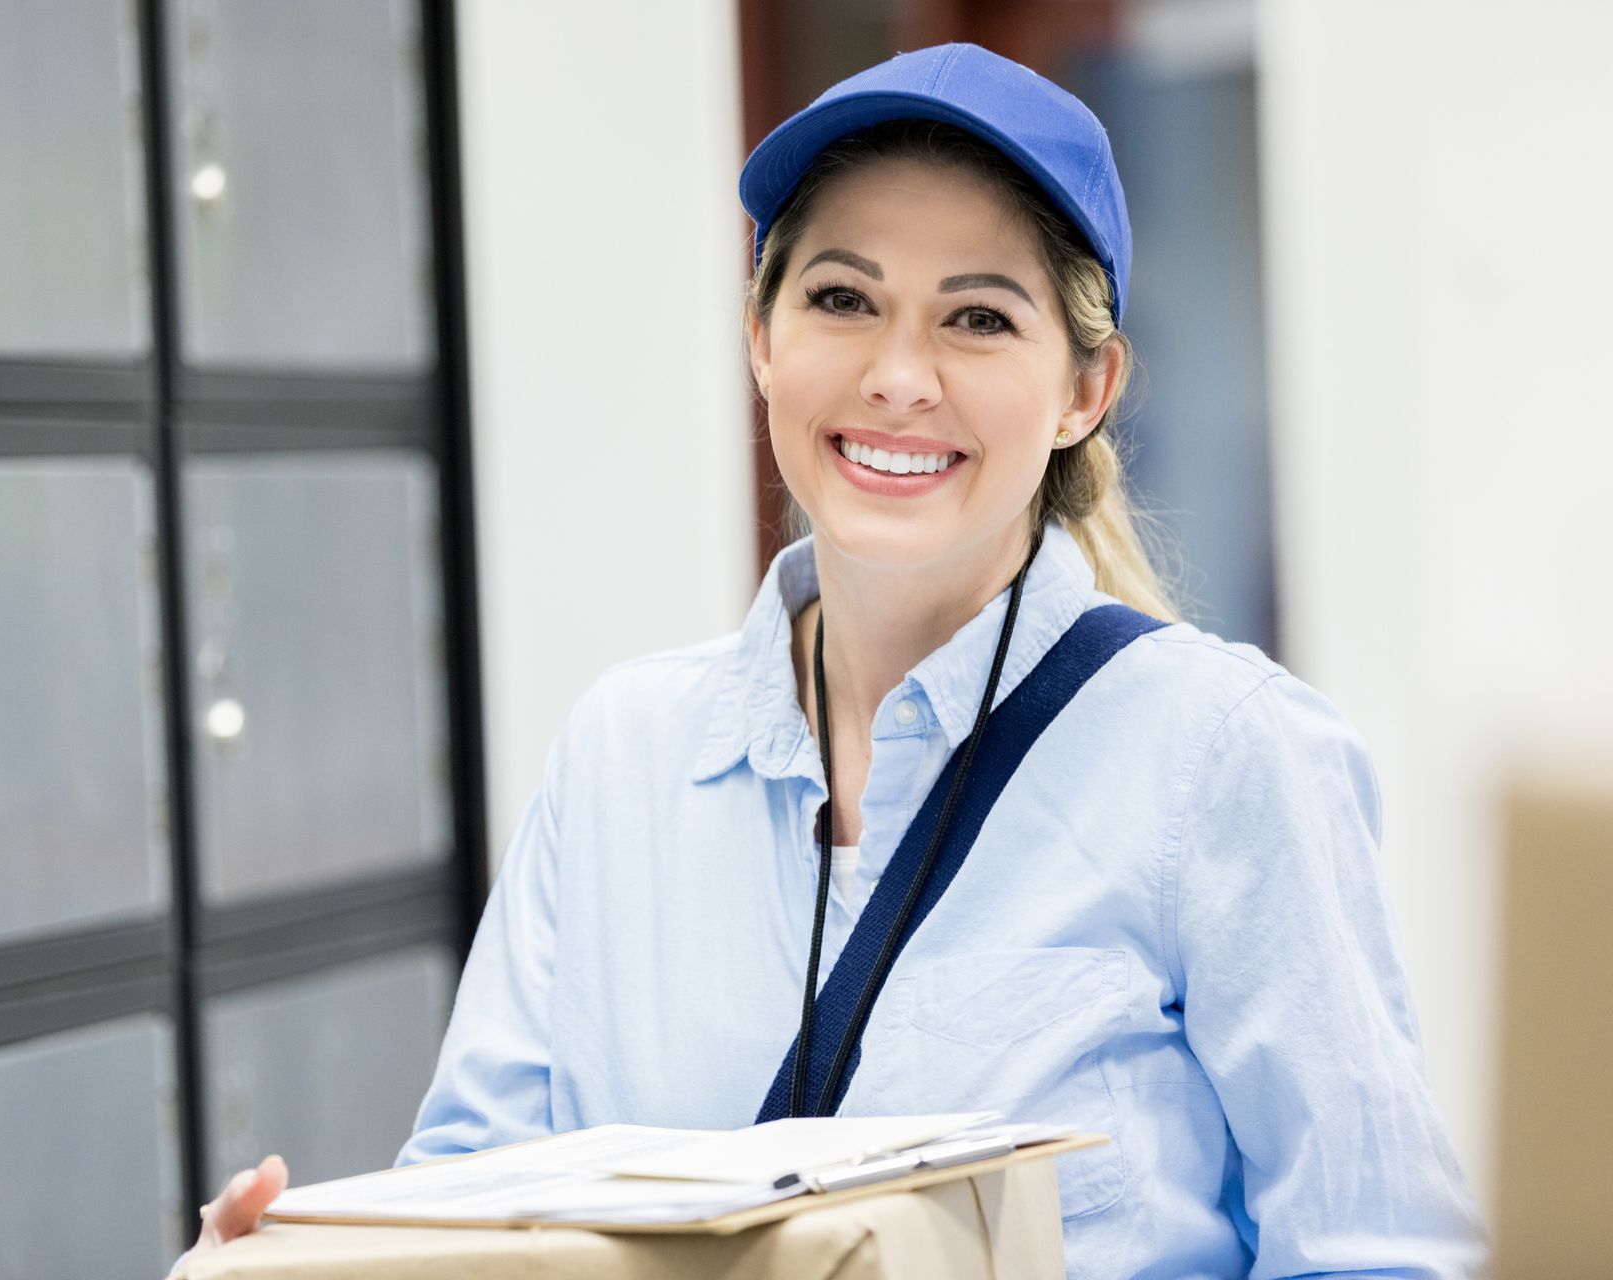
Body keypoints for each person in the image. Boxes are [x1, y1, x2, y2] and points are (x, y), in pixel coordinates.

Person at [184, 42, 1486, 1277]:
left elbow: (1374, 1250)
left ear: (1085, 391)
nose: (899, 376)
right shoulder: (623, 755)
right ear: (762, 337)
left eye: (978, 319)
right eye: (842, 299)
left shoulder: (1225, 757)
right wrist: (303, 1261)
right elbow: (473, 1208)